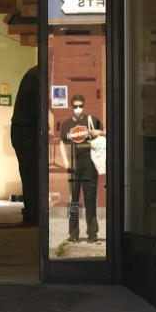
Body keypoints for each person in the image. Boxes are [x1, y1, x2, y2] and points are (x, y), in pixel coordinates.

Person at [59, 94, 104, 243]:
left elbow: (107, 134)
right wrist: (65, 160)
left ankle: (92, 234)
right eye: (75, 106)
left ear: (83, 106)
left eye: (80, 106)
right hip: (73, 164)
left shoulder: (91, 120)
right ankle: (73, 234)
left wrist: (99, 132)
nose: (78, 109)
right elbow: (62, 142)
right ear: (72, 107)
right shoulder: (66, 124)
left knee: (91, 199)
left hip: (89, 164)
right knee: (74, 201)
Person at [10, 65, 39, 227]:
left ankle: (33, 214)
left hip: (25, 129)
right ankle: (32, 215)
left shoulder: (36, 73)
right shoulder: (37, 75)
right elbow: (30, 106)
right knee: (31, 175)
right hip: (26, 131)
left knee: (31, 175)